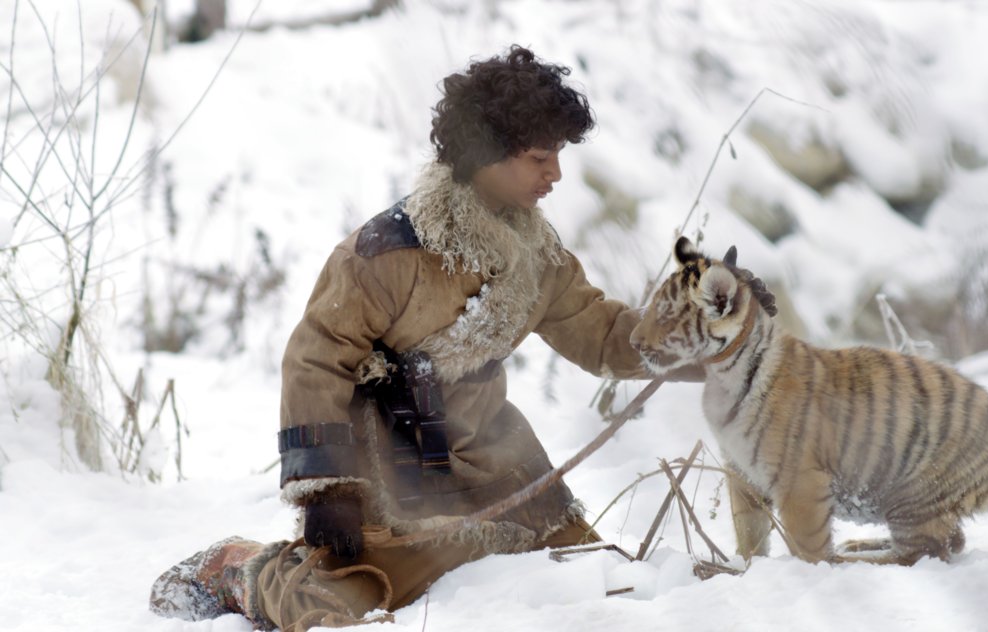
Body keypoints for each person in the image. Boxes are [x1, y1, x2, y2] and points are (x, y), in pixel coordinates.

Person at [149, 44, 677, 631]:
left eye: (556, 155)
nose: (555, 174)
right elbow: (316, 360)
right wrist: (329, 494)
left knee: (587, 581)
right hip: (383, 470)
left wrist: (706, 329)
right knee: (335, 607)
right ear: (484, 156)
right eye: (539, 156)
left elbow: (604, 334)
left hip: (493, 462)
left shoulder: (540, 256)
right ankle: (235, 566)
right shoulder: (382, 255)